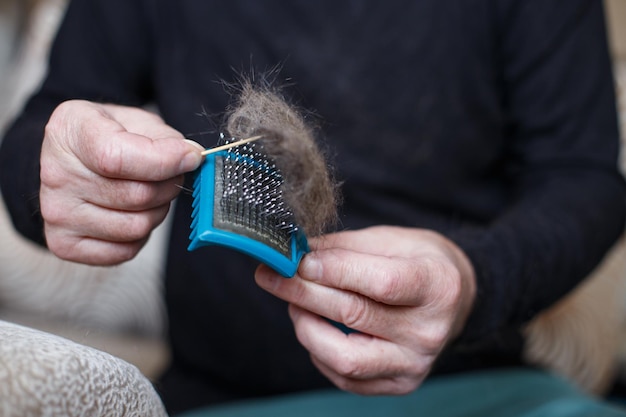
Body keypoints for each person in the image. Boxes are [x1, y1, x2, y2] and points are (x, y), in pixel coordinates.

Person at [1, 0, 625, 416]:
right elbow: (40, 128)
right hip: (224, 395)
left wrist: (473, 278)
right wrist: (58, 173)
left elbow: (585, 180)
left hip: (475, 390)